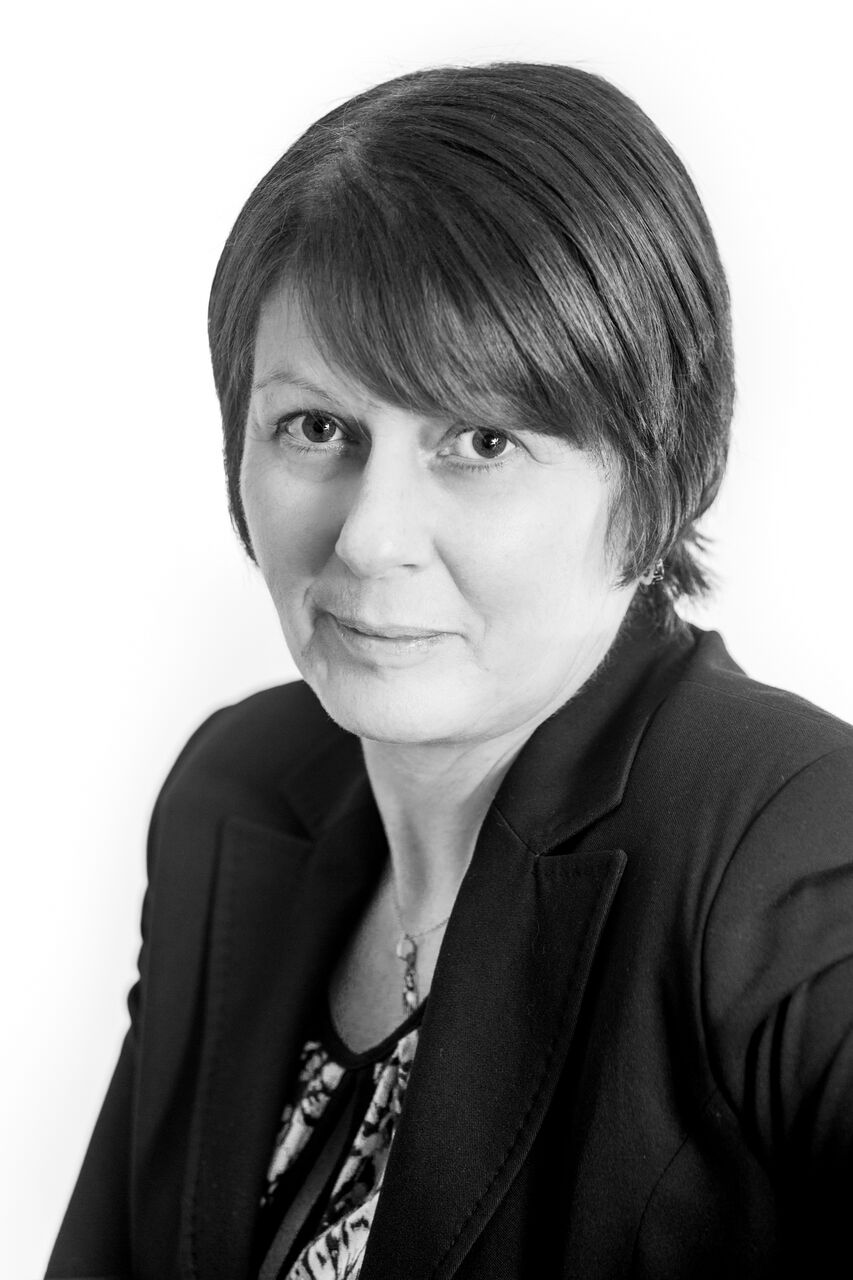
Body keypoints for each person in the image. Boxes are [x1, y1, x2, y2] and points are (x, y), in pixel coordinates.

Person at [46, 61, 853, 1280]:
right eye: (316, 427)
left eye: (479, 439)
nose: (370, 538)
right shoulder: (235, 788)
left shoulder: (788, 837)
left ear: (653, 474)